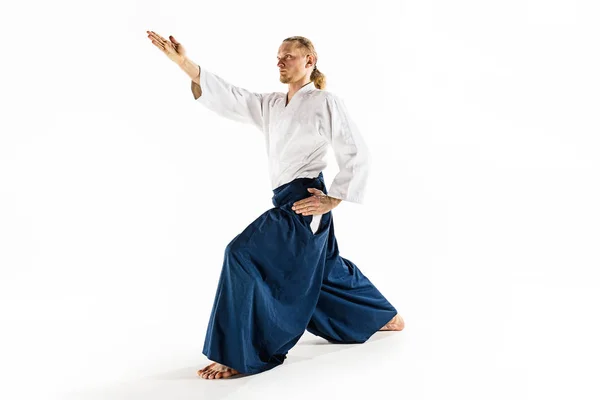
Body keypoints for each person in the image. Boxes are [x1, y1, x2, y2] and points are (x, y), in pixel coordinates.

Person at [146, 31, 405, 380]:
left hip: (304, 202)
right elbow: (231, 96)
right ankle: (383, 315)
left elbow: (356, 150)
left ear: (309, 61)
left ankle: (237, 353)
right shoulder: (271, 104)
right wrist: (183, 64)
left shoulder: (325, 102)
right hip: (287, 198)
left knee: (240, 253)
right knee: (324, 271)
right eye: (278, 57)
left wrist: (334, 199)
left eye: (289, 56)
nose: (280, 61)